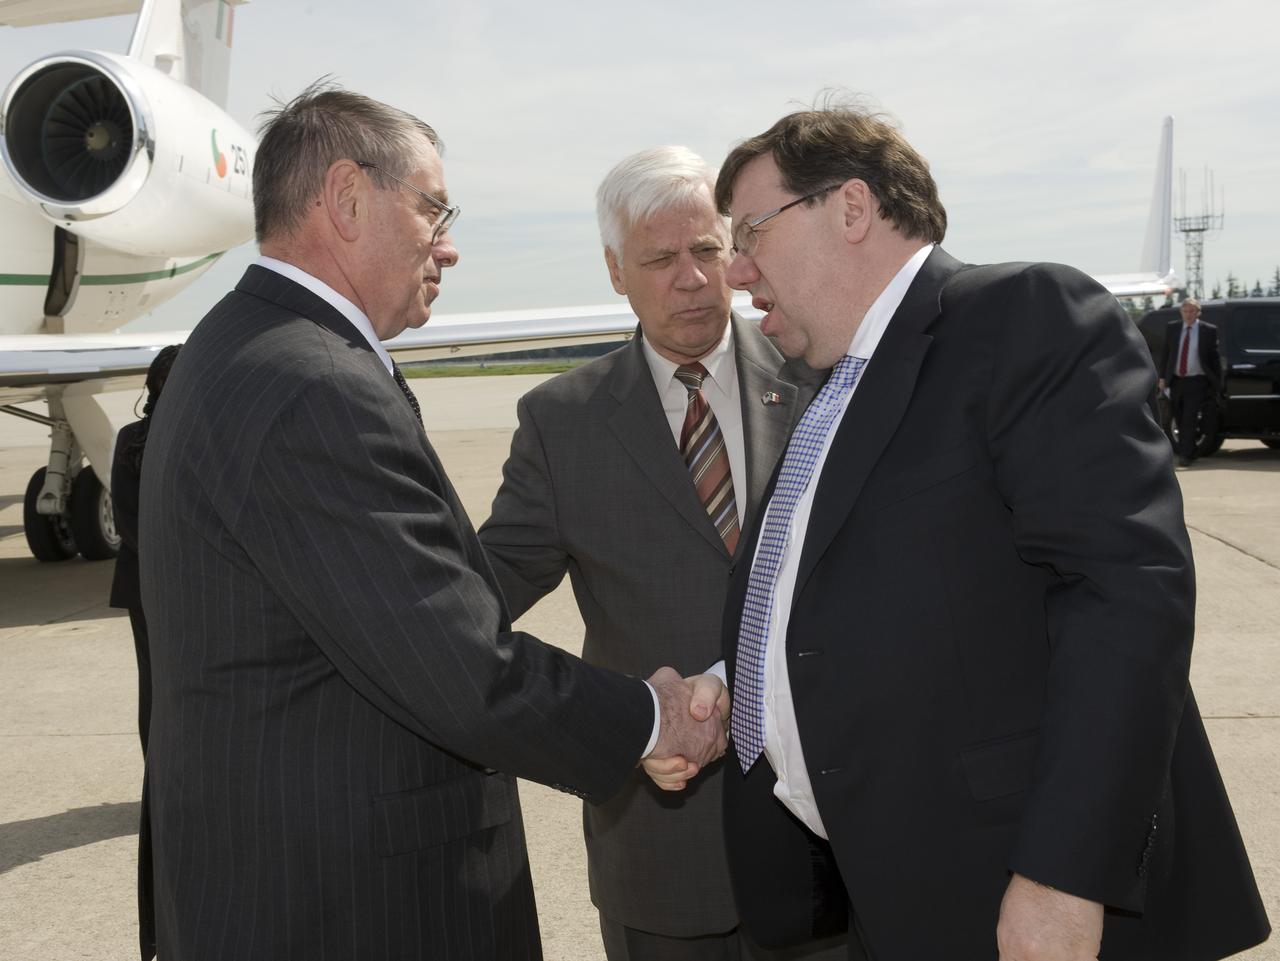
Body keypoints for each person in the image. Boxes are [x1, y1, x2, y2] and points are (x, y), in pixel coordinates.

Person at [138, 82, 726, 961]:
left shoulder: (238, 347)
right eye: (433, 209)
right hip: (350, 905)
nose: (447, 246)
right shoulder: (313, 385)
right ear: (344, 198)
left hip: (283, 876)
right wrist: (650, 718)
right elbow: (457, 664)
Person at [711, 103, 1270, 961]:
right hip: (900, 890)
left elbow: (1125, 599)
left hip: (1025, 899)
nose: (737, 269)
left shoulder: (1019, 317)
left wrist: (1065, 876)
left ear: (851, 207)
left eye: (751, 230)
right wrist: (737, 680)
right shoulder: (836, 388)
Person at [479, 147, 839, 961]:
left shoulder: (818, 378)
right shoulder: (561, 423)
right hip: (662, 842)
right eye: (659, 258)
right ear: (616, 270)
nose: (691, 278)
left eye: (708, 250)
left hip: (825, 825)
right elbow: (476, 596)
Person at [109, 342, 181, 961]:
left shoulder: (150, 433)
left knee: (159, 686)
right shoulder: (138, 440)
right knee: (155, 688)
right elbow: (129, 518)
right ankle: (161, 773)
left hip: (154, 582)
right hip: (153, 585)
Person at [1158, 297, 1222, 466]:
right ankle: (1191, 449)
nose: (1188, 314)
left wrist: (1217, 382)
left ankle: (1185, 456)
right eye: (1185, 311)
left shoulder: (1208, 330)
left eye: (1192, 311)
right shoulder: (1173, 328)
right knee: (1178, 417)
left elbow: (1214, 359)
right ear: (1181, 312)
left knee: (1189, 418)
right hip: (1176, 380)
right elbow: (1166, 354)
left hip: (1197, 381)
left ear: (1198, 313)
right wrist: (1162, 377)